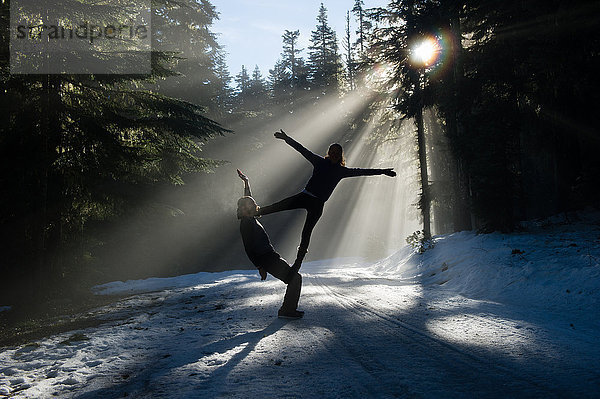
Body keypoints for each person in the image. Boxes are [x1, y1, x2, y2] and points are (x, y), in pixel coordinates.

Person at [256, 129, 397, 273]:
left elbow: (363, 171)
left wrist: (383, 171)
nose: (334, 154)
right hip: (305, 196)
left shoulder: (342, 171)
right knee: (281, 205)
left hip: (317, 205)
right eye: (332, 151)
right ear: (328, 153)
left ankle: (297, 264)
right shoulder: (318, 161)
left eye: (337, 152)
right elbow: (302, 150)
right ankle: (257, 212)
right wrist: (286, 138)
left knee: (306, 233)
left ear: (340, 155)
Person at [237, 168, 304, 319]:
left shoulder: (250, 218)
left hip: (270, 257)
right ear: (245, 208)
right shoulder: (246, 223)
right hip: (267, 259)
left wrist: (246, 182)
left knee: (294, 278)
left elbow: (247, 198)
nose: (255, 204)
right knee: (295, 278)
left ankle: (287, 310)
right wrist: (260, 267)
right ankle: (287, 311)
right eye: (252, 203)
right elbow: (249, 248)